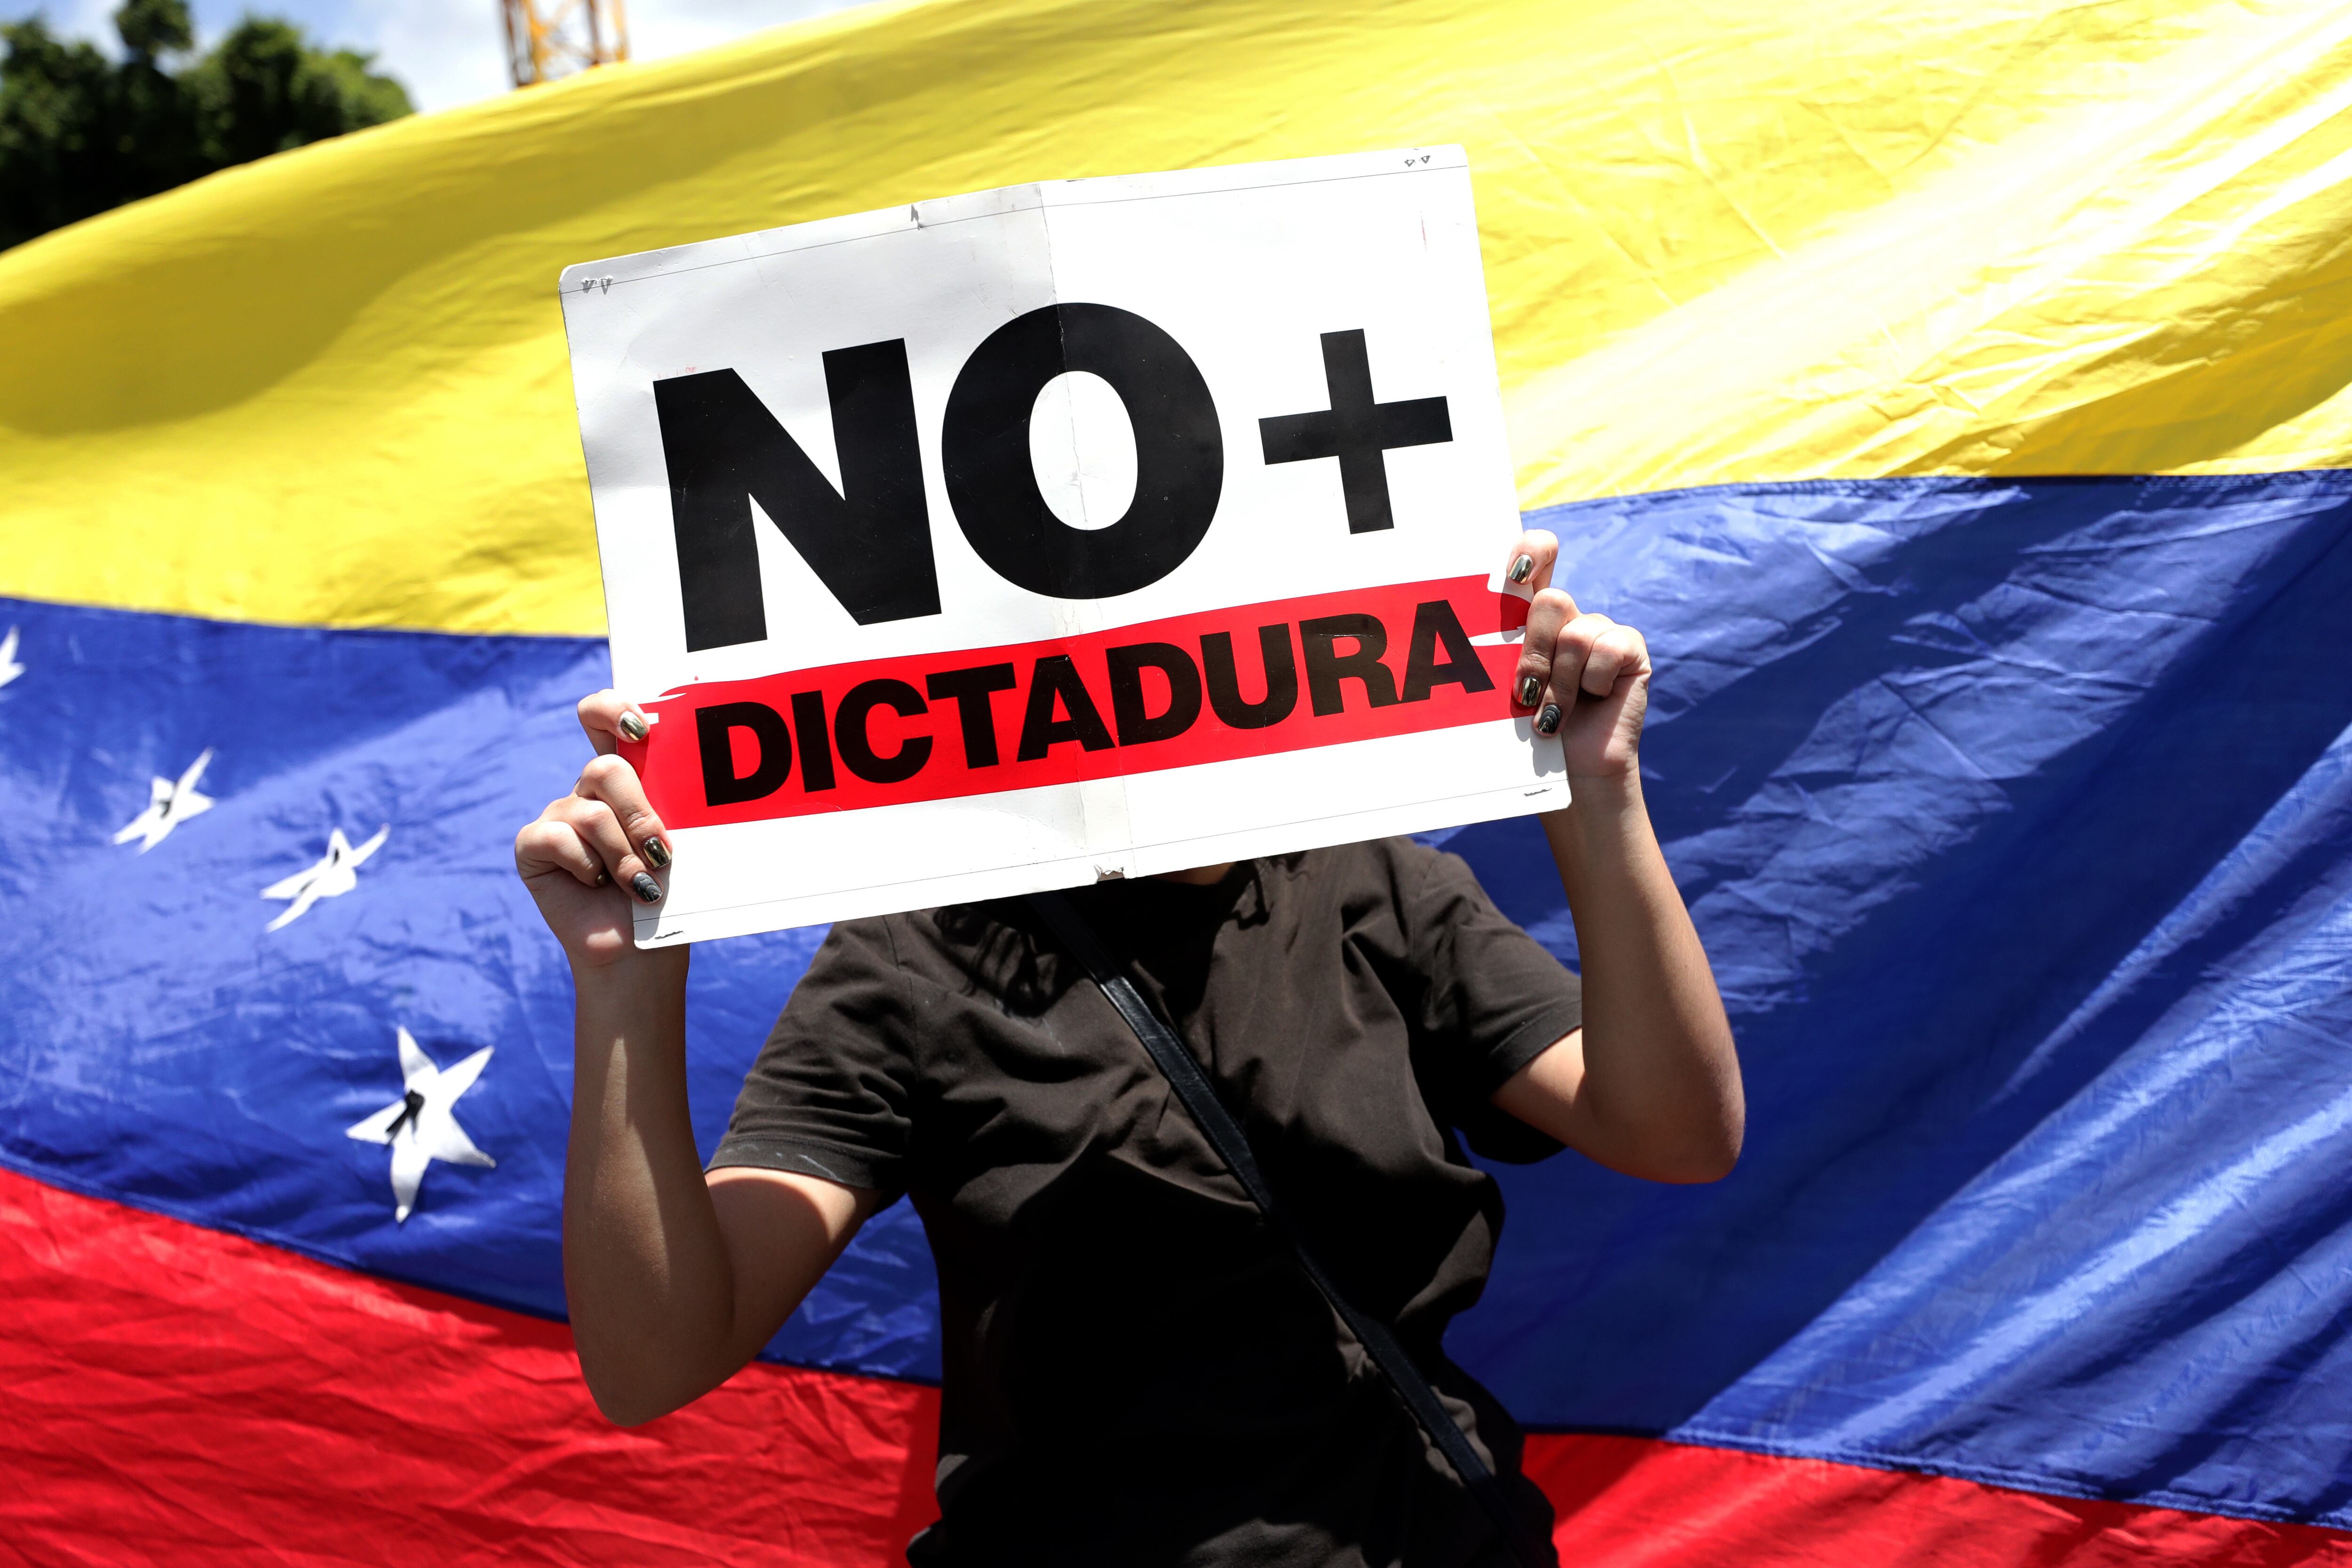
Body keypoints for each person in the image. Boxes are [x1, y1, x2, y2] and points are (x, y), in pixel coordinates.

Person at [515, 530, 1741, 1568]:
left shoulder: (1375, 888)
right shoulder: (909, 956)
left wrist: (1597, 792)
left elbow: (1675, 1134)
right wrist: (623, 988)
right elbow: (654, 1359)